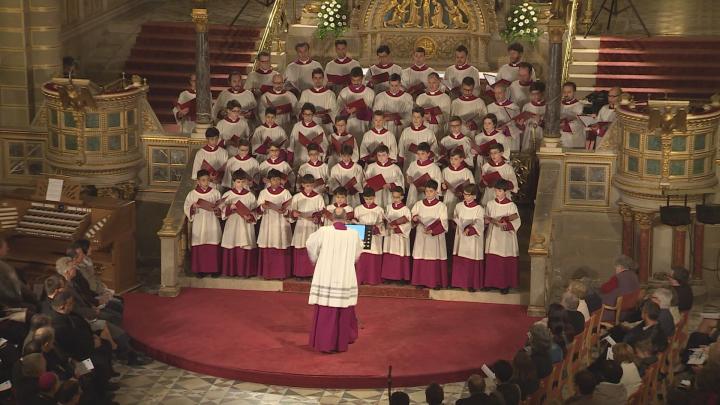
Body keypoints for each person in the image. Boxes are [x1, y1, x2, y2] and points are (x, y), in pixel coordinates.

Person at [306, 206, 363, 353]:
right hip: (344, 276)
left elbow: (310, 245)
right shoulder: (354, 234)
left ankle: (325, 343)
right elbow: (357, 255)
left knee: (326, 308)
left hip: (326, 275)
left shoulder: (324, 231)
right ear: (346, 219)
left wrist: (316, 260)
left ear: (331, 218)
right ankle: (340, 342)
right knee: (343, 308)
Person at [483, 179, 520, 294]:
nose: (497, 193)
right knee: (492, 259)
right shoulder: (490, 204)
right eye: (496, 190)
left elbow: (517, 221)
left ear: (505, 191)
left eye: (499, 190)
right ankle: (490, 283)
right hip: (493, 234)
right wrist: (487, 221)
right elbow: (485, 217)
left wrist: (506, 224)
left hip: (505, 237)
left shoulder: (511, 205)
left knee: (503, 260)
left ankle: (504, 284)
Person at [184, 169, 222, 277]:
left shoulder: (215, 193)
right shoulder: (192, 194)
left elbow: (221, 207)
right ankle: (200, 270)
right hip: (199, 222)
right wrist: (193, 207)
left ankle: (215, 269)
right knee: (200, 244)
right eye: (203, 180)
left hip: (212, 221)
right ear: (198, 181)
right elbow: (186, 207)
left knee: (213, 243)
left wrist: (217, 209)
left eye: (207, 180)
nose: (206, 183)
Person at [411, 180, 448, 289]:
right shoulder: (418, 204)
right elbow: (413, 217)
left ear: (436, 192)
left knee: (433, 256)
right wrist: (415, 218)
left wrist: (433, 231)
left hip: (434, 236)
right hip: (421, 234)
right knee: (421, 255)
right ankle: (420, 281)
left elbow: (444, 223)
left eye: (431, 191)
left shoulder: (441, 206)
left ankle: (434, 282)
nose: (428, 194)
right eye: (426, 191)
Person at [220, 170, 258, 277]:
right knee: (232, 243)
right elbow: (221, 210)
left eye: (242, 182)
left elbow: (255, 210)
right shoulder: (227, 195)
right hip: (232, 223)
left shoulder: (250, 195)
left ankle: (245, 272)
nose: (240, 184)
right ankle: (231, 271)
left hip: (245, 224)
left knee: (245, 244)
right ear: (233, 182)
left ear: (246, 182)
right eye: (238, 182)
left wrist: (250, 216)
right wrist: (229, 207)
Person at [256, 169, 293, 280]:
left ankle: (281, 274)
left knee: (280, 245)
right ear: (269, 180)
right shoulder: (263, 193)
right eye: (273, 179)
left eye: (278, 179)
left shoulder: (286, 193)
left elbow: (291, 208)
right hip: (268, 222)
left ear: (281, 180)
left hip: (281, 222)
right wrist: (263, 207)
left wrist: (285, 211)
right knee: (269, 246)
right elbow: (257, 209)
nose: (275, 182)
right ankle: (268, 273)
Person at [290, 174, 326, 278]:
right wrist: (294, 214)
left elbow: (322, 212)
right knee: (301, 248)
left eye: (310, 185)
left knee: (312, 249)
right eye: (307, 186)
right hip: (301, 226)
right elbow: (291, 212)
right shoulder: (297, 197)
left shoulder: (318, 197)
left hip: (312, 227)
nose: (309, 188)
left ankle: (312, 274)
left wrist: (317, 218)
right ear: (302, 185)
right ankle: (299, 273)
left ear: (313, 185)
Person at [451, 184, 485, 292]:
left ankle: (471, 284)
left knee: (471, 260)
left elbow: (480, 223)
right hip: (461, 236)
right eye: (464, 194)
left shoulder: (479, 209)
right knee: (460, 259)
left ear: (475, 196)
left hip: (472, 239)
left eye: (468, 195)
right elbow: (455, 217)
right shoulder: (459, 206)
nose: (466, 197)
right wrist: (456, 223)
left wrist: (470, 228)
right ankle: (458, 282)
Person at [353, 188, 385, 285]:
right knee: (362, 256)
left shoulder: (379, 209)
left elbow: (382, 224)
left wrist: (378, 228)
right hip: (362, 236)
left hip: (374, 237)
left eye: (371, 199)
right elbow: (354, 222)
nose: (368, 201)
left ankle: (372, 279)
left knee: (373, 257)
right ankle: (360, 278)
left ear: (374, 198)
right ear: (363, 198)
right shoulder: (358, 209)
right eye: (366, 199)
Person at [381, 186, 412, 283]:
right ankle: (388, 276)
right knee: (389, 254)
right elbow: (386, 219)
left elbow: (408, 224)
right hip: (390, 235)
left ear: (402, 197)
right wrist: (387, 223)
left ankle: (401, 277)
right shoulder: (388, 207)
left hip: (400, 236)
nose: (395, 199)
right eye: (393, 197)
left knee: (400, 254)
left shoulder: (406, 209)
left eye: (397, 197)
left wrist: (398, 228)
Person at [598, 255, 640, 321]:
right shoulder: (634, 275)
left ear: (620, 266)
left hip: (616, 311)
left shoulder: (617, 278)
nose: (615, 270)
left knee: (592, 299)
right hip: (629, 310)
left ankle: (591, 323)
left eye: (616, 267)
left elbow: (604, 288)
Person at [337, 66, 375, 139]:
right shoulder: (344, 92)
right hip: (349, 127)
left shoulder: (370, 93)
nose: (356, 83)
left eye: (358, 80)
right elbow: (338, 113)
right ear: (350, 79)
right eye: (353, 80)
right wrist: (346, 111)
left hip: (364, 127)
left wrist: (360, 110)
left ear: (363, 78)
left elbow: (373, 113)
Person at [373, 73, 413, 138]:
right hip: (385, 127)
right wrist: (393, 116)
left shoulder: (407, 97)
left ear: (400, 84)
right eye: (392, 85)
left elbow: (409, 116)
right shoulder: (380, 97)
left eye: (396, 85)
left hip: (400, 128)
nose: (394, 88)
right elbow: (376, 114)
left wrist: (393, 117)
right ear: (389, 84)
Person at [298, 68, 337, 135]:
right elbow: (300, 111)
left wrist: (327, 117)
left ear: (323, 79)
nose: (318, 80)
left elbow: (334, 111)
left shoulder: (330, 94)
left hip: (325, 126)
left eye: (320, 78)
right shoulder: (305, 93)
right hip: (309, 127)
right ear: (312, 79)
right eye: (315, 78)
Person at [287, 102, 327, 169]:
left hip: (313, 160)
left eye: (310, 114)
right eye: (305, 114)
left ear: (313, 115)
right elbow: (291, 145)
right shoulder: (297, 126)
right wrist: (289, 160)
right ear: (302, 115)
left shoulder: (318, 129)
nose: (307, 116)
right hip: (299, 158)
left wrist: (318, 146)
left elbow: (325, 146)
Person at [406, 142, 443, 208]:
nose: (420, 156)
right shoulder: (413, 164)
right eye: (418, 154)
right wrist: (409, 178)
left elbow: (438, 185)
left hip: (428, 195)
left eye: (423, 154)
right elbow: (408, 175)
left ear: (428, 154)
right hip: (414, 193)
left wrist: (425, 189)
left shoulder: (434, 167)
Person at [416, 72, 452, 138]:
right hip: (422, 131)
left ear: (438, 82)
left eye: (434, 83)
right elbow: (416, 115)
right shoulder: (420, 97)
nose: (431, 85)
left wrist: (431, 117)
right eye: (429, 82)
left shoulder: (445, 98)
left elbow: (446, 117)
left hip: (438, 131)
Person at [487, 83, 521, 152]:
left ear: (505, 93)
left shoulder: (514, 108)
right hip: (495, 139)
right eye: (495, 93)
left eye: (500, 93)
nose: (497, 96)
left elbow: (518, 127)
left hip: (508, 140)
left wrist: (506, 128)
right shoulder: (489, 107)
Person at [442, 150, 475, 218]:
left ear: (461, 159)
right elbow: (441, 185)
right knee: (448, 217)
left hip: (462, 198)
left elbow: (472, 187)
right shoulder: (445, 171)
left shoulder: (467, 172)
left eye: (456, 159)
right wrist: (443, 187)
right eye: (451, 159)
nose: (453, 161)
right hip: (449, 197)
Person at [520, 81, 546, 151]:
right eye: (532, 94)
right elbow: (523, 126)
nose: (534, 96)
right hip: (528, 137)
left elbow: (551, 127)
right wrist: (521, 124)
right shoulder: (526, 106)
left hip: (541, 136)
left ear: (542, 93)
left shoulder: (547, 107)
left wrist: (540, 122)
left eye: (537, 94)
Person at [560, 82, 585, 148]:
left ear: (574, 92)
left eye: (569, 92)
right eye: (564, 92)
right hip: (561, 135)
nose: (566, 94)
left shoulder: (578, 105)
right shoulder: (559, 104)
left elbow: (576, 119)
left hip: (573, 137)